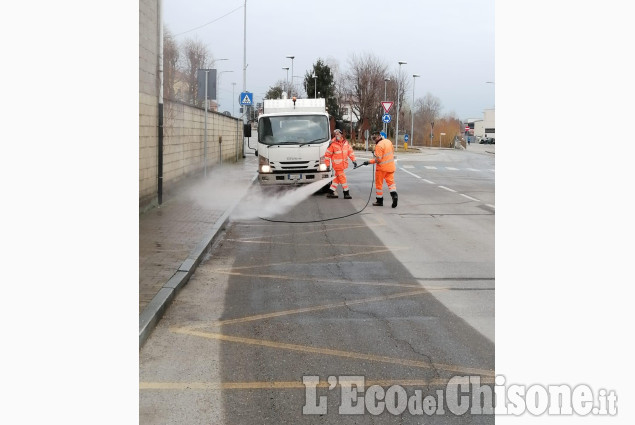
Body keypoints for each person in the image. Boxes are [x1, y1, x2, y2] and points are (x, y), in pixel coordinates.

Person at [363, 131, 398, 208]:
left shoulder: (379, 146)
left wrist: (369, 162)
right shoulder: (388, 141)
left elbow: (378, 160)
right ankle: (394, 195)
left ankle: (379, 200)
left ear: (379, 137)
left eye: (374, 138)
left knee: (379, 185)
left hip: (381, 168)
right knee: (391, 184)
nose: (374, 140)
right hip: (391, 167)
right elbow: (391, 152)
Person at [324, 129, 357, 199]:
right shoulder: (332, 144)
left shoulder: (346, 143)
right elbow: (327, 155)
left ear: (341, 134)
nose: (337, 135)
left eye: (338, 133)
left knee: (337, 178)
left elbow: (350, 152)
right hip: (337, 165)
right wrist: (327, 165)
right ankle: (346, 193)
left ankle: (330, 192)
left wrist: (354, 160)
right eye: (335, 134)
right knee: (342, 178)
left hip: (343, 164)